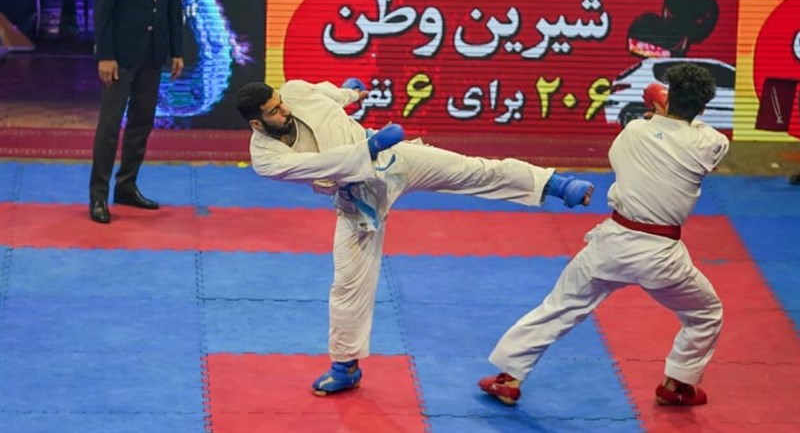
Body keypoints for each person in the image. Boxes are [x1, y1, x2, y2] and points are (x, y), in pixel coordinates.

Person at [235, 78, 595, 396]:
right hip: (357, 198)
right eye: (275, 111)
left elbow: (327, 95)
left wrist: (351, 93)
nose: (285, 109)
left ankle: (557, 185)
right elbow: (321, 165)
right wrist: (369, 148)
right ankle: (345, 367)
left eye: (281, 102)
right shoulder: (266, 159)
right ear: (257, 123)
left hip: (394, 159)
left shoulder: (295, 92)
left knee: (472, 169)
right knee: (348, 283)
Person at [478, 63, 729, 407]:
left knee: (559, 307)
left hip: (612, 244)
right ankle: (677, 384)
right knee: (706, 313)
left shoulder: (635, 131)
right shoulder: (712, 143)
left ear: (669, 100)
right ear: (702, 108)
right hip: (662, 257)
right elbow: (686, 128)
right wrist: (667, 111)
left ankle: (508, 378)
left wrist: (659, 114)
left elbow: (637, 145)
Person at [89, 0, 184, 224]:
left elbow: (173, 5)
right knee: (110, 125)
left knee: (142, 123)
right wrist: (106, 55)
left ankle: (127, 186)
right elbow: (103, 9)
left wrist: (176, 50)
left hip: (153, 53)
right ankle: (98, 196)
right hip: (120, 55)